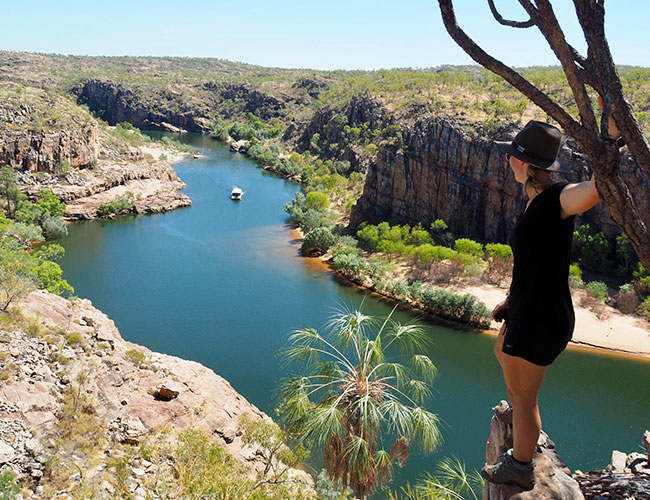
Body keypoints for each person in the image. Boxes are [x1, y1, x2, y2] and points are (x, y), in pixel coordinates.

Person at [480, 119, 609, 490]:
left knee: (525, 399)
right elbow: (534, 262)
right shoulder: (535, 199)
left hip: (541, 318)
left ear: (524, 162)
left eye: (512, 156)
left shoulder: (558, 198)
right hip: (527, 308)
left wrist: (610, 138)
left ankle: (520, 463)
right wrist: (510, 299)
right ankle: (519, 419)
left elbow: (595, 191)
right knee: (502, 352)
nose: (508, 161)